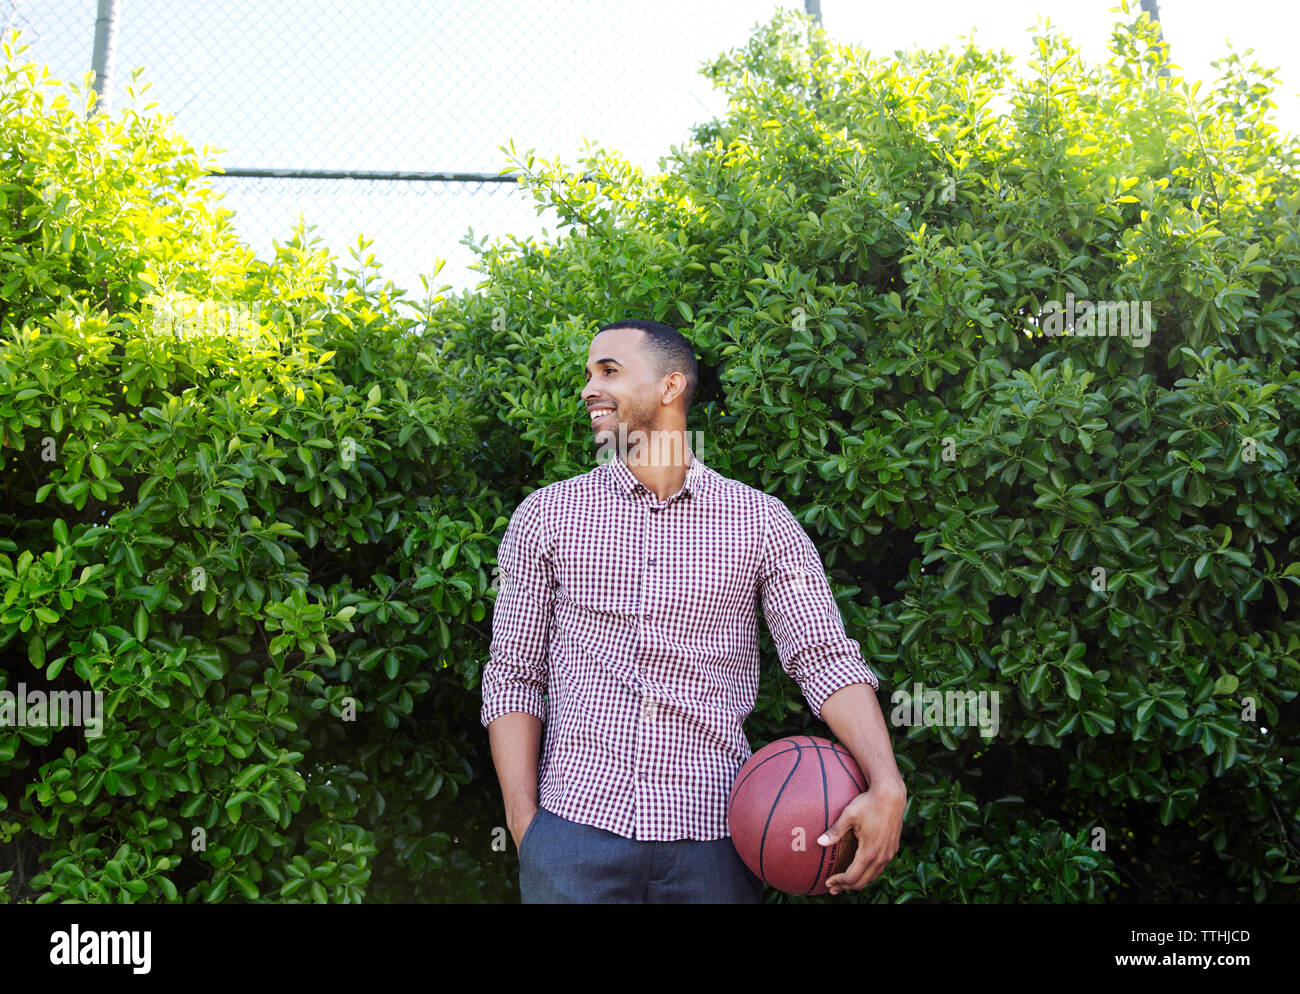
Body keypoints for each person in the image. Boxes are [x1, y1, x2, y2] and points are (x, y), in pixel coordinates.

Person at [481, 319, 906, 903]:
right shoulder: (548, 515)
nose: (588, 388)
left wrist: (887, 784)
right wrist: (527, 826)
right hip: (573, 834)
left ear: (670, 386)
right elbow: (513, 672)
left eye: (609, 371)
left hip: (714, 844)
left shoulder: (759, 522)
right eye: (587, 374)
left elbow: (823, 657)